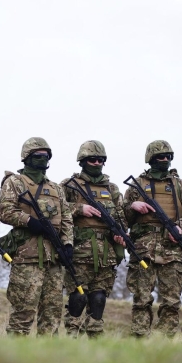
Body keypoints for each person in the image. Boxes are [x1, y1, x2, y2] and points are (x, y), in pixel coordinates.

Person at [124, 140, 182, 338]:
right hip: (142, 250)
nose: (164, 160)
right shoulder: (136, 185)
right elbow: (122, 218)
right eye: (160, 157)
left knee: (171, 302)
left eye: (168, 157)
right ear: (151, 159)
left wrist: (180, 227)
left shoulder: (179, 185)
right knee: (141, 299)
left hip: (171, 250)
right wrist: (133, 206)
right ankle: (139, 340)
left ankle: (164, 341)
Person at [0, 137, 72, 336]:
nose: (43, 159)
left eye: (46, 156)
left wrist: (67, 244)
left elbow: (66, 219)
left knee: (52, 316)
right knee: (22, 314)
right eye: (38, 155)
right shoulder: (14, 182)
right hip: (27, 258)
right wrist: (30, 222)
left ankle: (47, 361)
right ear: (26, 157)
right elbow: (5, 211)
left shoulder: (57, 189)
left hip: (54, 260)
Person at [60, 140, 126, 338]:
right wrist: (79, 209)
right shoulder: (69, 185)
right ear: (82, 161)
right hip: (79, 253)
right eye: (92, 160)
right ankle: (72, 337)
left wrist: (120, 233)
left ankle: (96, 340)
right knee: (78, 298)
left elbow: (121, 218)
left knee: (98, 299)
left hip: (105, 254)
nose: (96, 163)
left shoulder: (112, 189)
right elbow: (57, 211)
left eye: (100, 160)